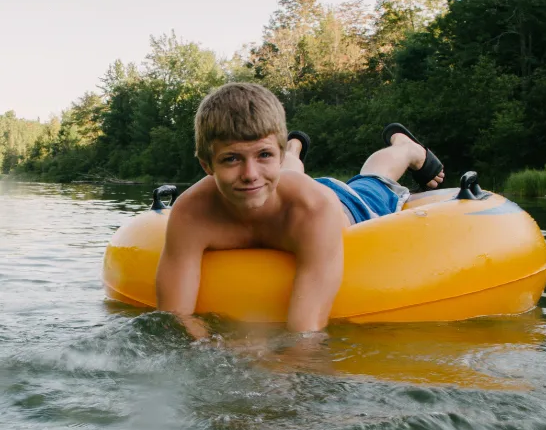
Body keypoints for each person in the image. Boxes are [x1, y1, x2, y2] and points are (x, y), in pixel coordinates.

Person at [156, 82, 444, 335]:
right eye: (231, 159)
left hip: (343, 204)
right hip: (285, 185)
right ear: (207, 165)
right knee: (273, 179)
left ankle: (405, 147)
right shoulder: (192, 214)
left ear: (276, 155)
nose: (249, 173)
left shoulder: (312, 212)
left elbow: (305, 334)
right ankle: (294, 149)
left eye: (265, 154)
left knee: (372, 181)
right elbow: (175, 317)